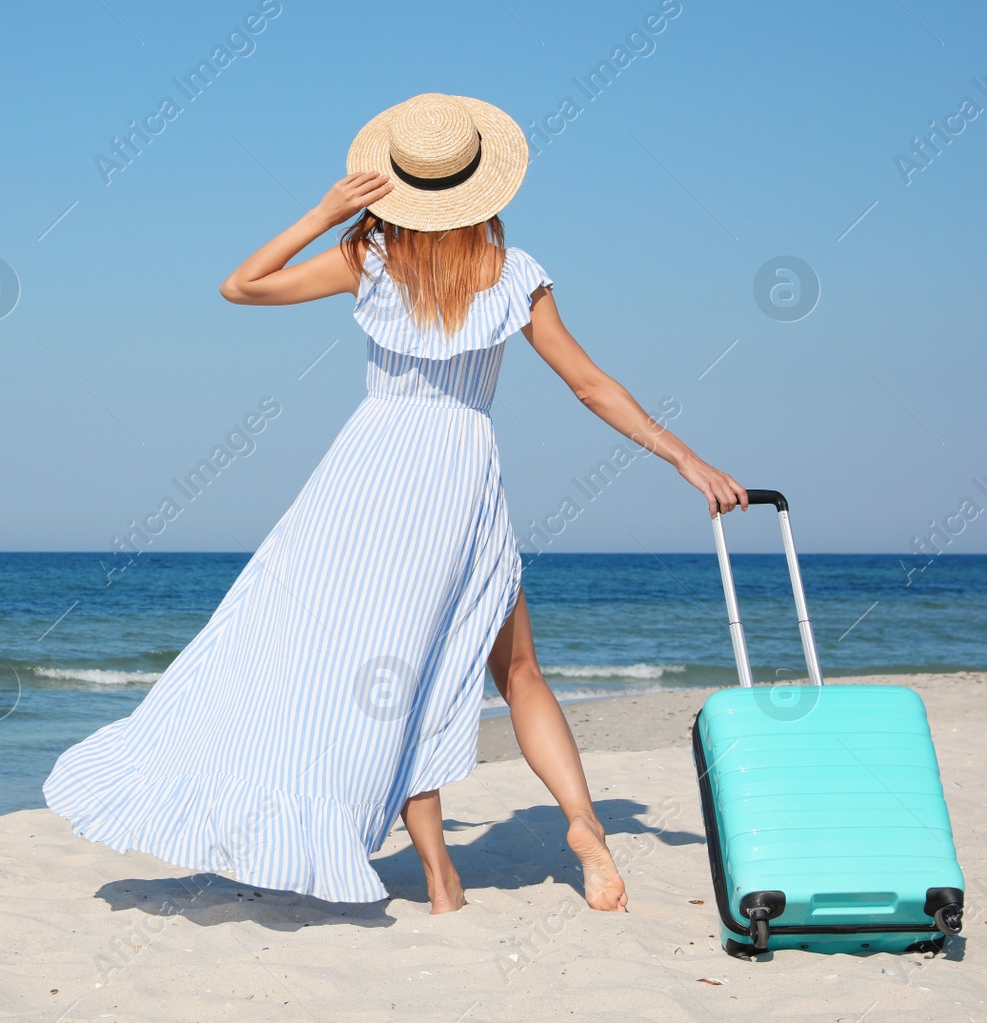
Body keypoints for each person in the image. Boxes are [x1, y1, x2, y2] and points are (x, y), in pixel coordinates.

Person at [43, 93, 746, 915]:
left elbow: (241, 286)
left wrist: (324, 210)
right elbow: (590, 385)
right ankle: (584, 826)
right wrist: (685, 457)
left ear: (399, 188)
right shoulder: (514, 275)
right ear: (481, 187)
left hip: (367, 483)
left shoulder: (367, 262)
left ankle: (443, 883)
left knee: (397, 673)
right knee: (516, 670)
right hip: (460, 475)